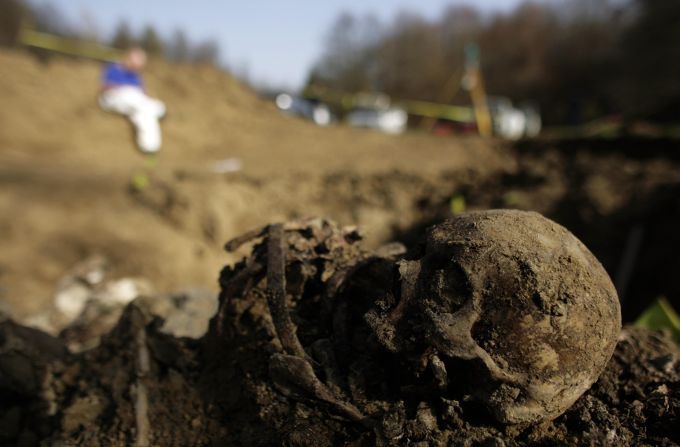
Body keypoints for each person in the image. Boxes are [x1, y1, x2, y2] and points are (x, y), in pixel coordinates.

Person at [99, 48, 166, 154]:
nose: (136, 68)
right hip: (114, 98)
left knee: (145, 114)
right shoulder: (114, 68)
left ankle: (150, 147)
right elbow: (105, 87)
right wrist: (124, 88)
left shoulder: (136, 76)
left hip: (135, 103)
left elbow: (142, 93)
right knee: (136, 100)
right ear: (128, 59)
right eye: (135, 64)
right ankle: (154, 111)